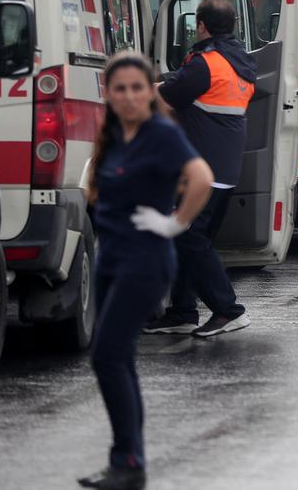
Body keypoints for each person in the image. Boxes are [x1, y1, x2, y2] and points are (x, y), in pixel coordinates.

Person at [81, 52, 214, 490]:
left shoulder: (160, 133)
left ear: (149, 90)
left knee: (106, 355)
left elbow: (201, 177)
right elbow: (92, 184)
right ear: (109, 93)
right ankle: (128, 462)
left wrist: (174, 223)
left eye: (138, 87)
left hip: (145, 262)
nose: (130, 95)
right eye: (120, 88)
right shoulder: (113, 132)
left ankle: (129, 460)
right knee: (117, 359)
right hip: (110, 258)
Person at [148, 0, 256, 337]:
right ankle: (182, 312)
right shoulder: (239, 62)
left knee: (189, 238)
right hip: (224, 170)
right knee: (191, 239)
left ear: (202, 27)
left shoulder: (205, 64)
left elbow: (166, 94)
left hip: (203, 171)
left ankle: (228, 310)